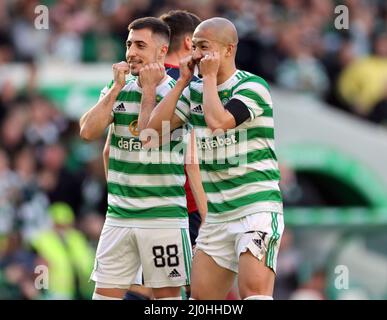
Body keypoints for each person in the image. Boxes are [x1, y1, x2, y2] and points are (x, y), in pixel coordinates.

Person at [144, 17, 284, 300]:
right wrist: (183, 81)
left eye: (204, 47)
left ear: (228, 50)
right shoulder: (194, 90)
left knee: (254, 294)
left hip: (254, 209)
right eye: (193, 47)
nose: (195, 55)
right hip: (218, 217)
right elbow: (151, 133)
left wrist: (206, 78)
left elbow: (218, 120)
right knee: (201, 301)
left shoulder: (252, 87)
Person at [80, 17, 198, 300]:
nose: (131, 51)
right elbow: (87, 131)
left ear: (161, 51)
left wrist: (148, 90)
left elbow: (148, 137)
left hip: (163, 217)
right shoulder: (117, 87)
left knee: (166, 300)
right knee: (104, 296)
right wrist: (116, 90)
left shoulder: (180, 91)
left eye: (140, 45)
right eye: (129, 44)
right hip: (119, 216)